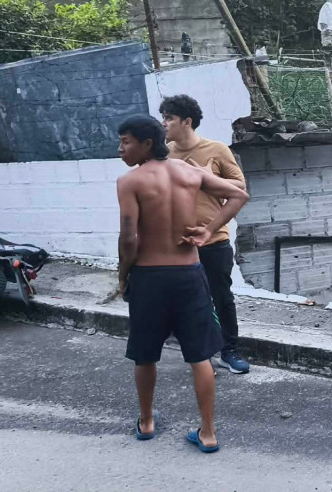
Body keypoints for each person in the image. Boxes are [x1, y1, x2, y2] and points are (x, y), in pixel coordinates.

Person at [115, 115, 249, 453]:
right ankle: (208, 433)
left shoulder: (130, 181)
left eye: (126, 142)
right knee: (199, 356)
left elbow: (129, 237)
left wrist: (123, 274)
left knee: (145, 356)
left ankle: (146, 422)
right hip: (189, 275)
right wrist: (209, 228)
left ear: (146, 143)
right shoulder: (189, 172)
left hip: (149, 277)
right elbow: (238, 194)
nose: (120, 149)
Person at [159, 95, 250, 375]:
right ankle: (199, 352)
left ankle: (229, 351)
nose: (164, 124)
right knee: (187, 300)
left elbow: (239, 188)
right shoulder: (163, 154)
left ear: (186, 122)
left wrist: (204, 178)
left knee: (222, 297)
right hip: (178, 244)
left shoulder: (217, 149)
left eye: (169, 119)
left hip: (213, 240)